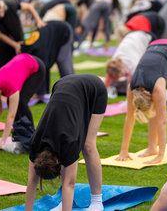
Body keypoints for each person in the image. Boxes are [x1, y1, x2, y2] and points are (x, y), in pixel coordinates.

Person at [25, 74, 107, 211]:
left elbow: (70, 184)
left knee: (88, 145)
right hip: (61, 85)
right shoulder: (35, 143)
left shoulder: (69, 142)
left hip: (94, 88)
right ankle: (65, 202)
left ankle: (97, 201)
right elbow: (31, 180)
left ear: (58, 161)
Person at [117, 39, 167, 164]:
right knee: (158, 109)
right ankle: (152, 148)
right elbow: (129, 118)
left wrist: (161, 155)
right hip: (155, 46)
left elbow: (163, 121)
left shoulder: (157, 89)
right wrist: (123, 150)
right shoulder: (132, 88)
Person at [0, 53, 45, 152]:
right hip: (20, 62)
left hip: (36, 67)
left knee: (21, 102)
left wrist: (2, 141)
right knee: (13, 102)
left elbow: (11, 115)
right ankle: (18, 135)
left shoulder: (11, 86)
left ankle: (32, 136)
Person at [0, 0, 45, 71]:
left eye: (1, 12)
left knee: (20, 65)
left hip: (17, 35)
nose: (1, 15)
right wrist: (15, 45)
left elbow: (29, 6)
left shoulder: (11, 4)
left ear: (3, 7)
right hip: (2, 42)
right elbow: (0, 34)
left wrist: (38, 20)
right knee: (2, 68)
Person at [21, 20, 75, 94]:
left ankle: (73, 90)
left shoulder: (37, 50)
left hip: (64, 30)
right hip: (54, 30)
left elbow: (44, 67)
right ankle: (45, 93)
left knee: (64, 65)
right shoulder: (31, 45)